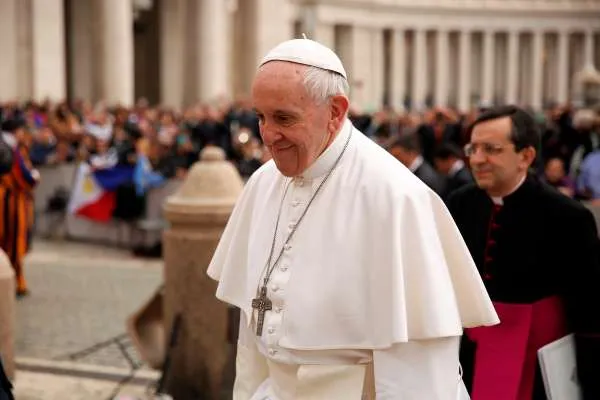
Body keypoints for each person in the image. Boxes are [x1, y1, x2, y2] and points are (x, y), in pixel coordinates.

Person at [207, 38, 499, 399]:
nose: (267, 135)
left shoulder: (396, 197)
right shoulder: (262, 184)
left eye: (284, 118)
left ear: (335, 111)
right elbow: (253, 335)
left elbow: (418, 366)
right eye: (260, 117)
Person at [447, 105, 600, 400]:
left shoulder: (567, 215)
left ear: (525, 156)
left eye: (491, 149)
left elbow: (589, 308)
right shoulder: (459, 203)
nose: (477, 160)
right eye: (472, 148)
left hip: (538, 358)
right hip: (470, 355)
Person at [0, 117, 39, 297]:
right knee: (13, 241)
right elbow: (20, 175)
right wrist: (33, 178)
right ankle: (16, 281)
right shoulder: (11, 149)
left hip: (8, 198)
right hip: (10, 201)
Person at [388, 131, 448, 197]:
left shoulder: (424, 178)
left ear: (411, 153)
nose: (393, 159)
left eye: (397, 156)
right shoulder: (418, 170)